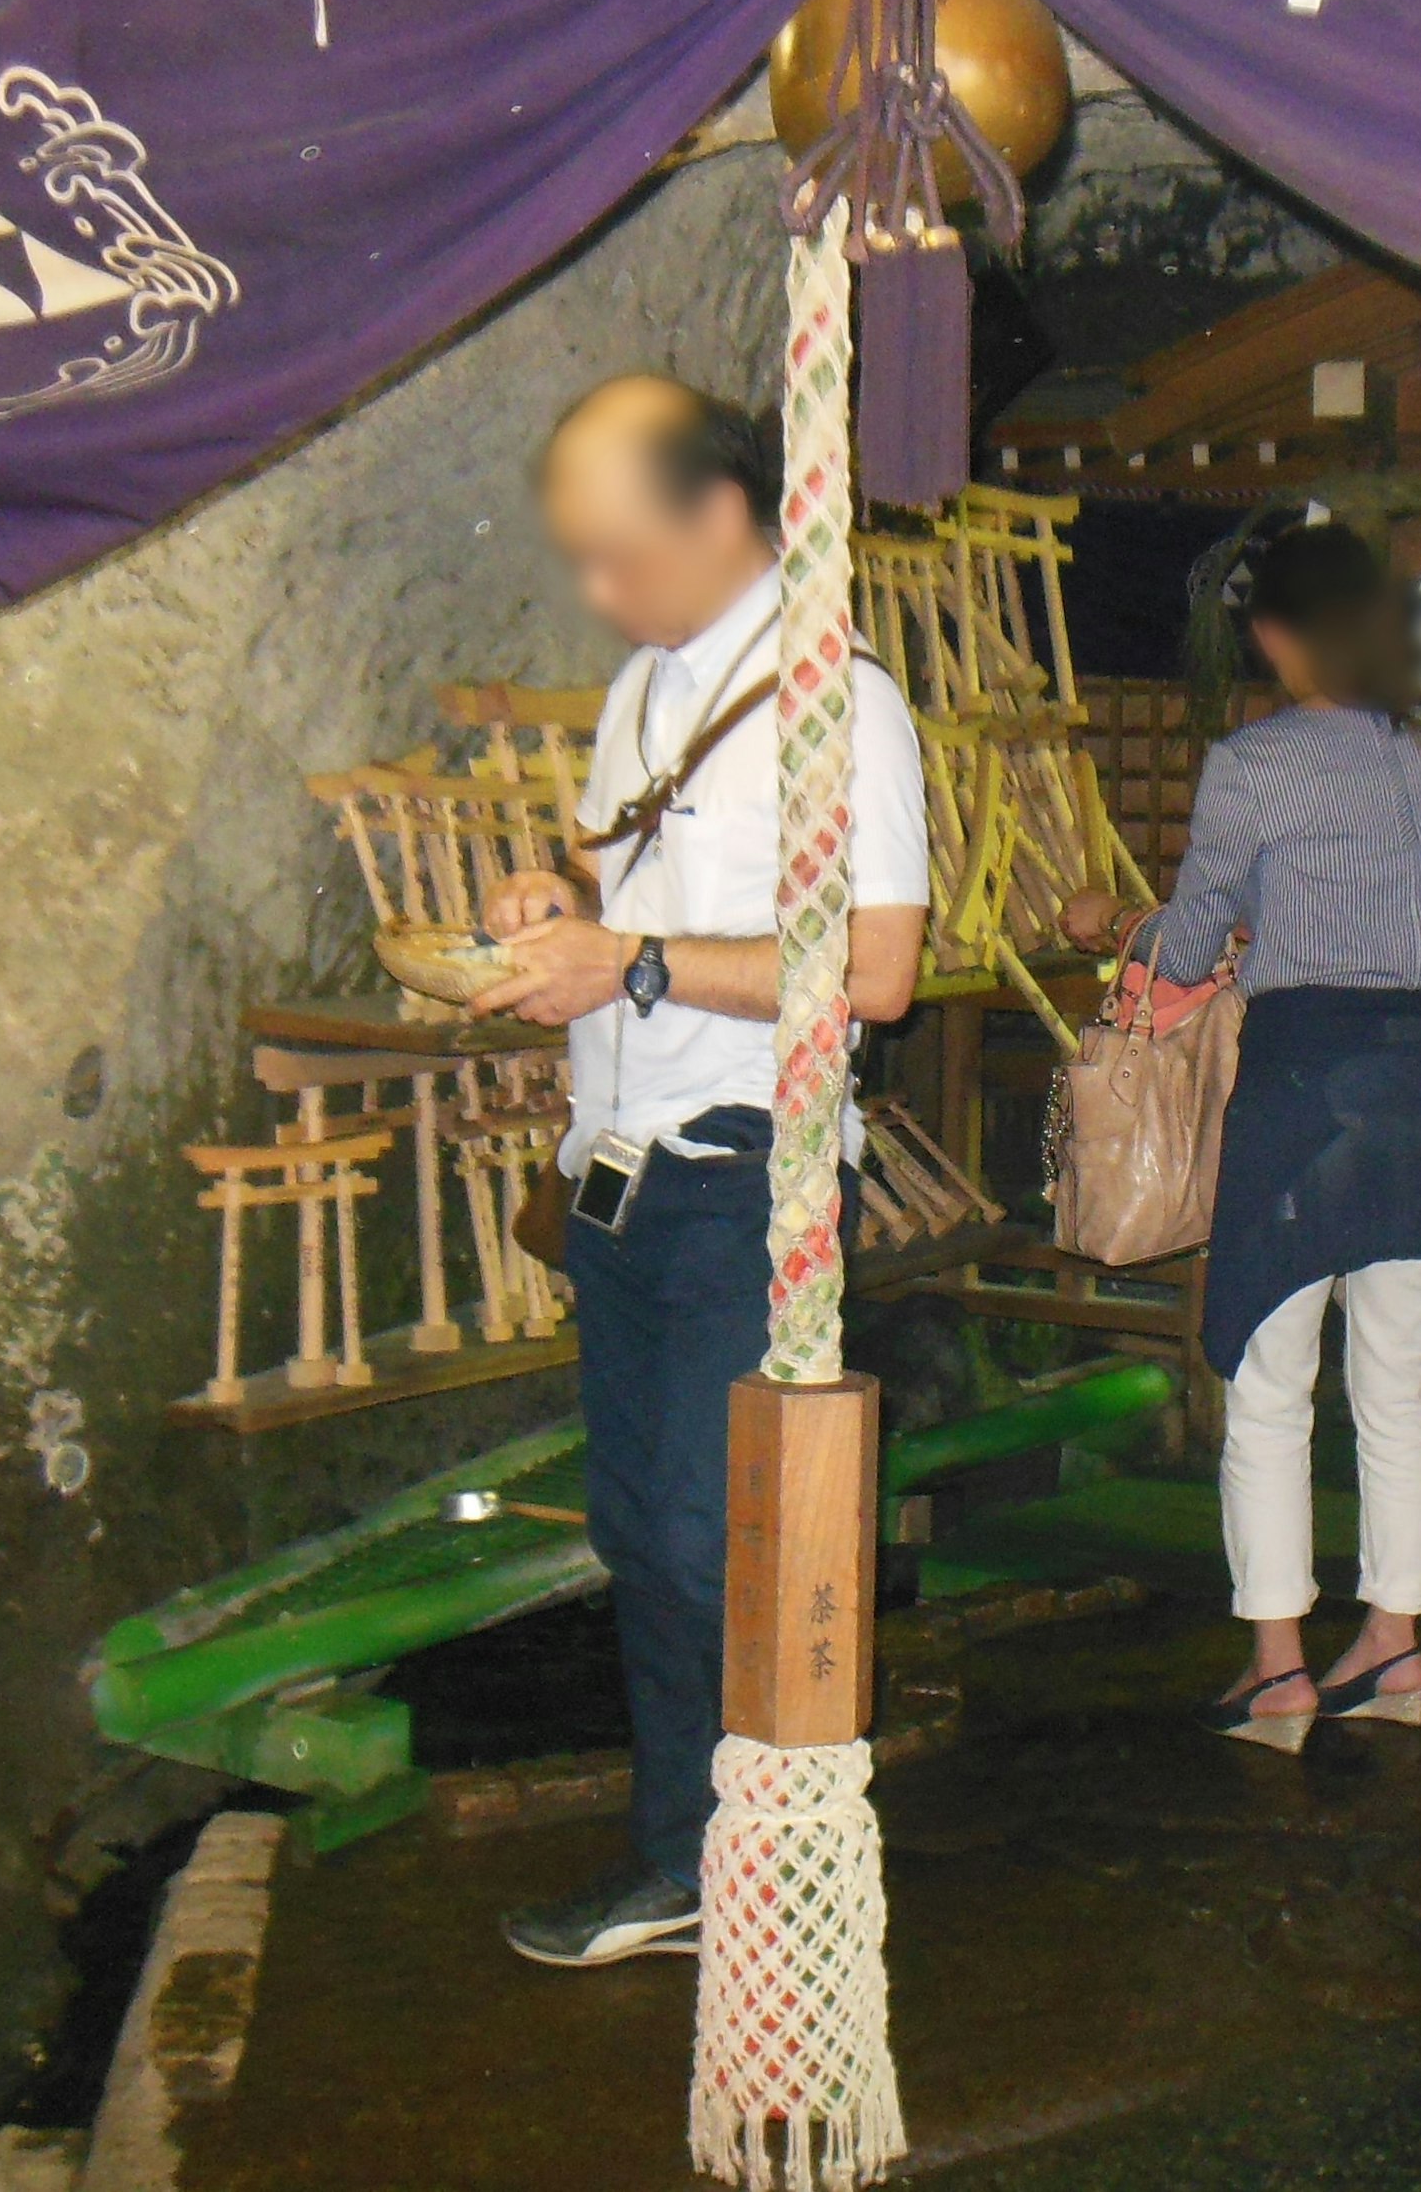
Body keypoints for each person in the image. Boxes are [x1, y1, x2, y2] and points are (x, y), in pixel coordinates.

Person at [466, 376, 929, 1968]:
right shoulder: (642, 690)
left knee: (708, 1531)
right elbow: (624, 872)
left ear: (723, 515)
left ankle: (759, 1874)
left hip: (750, 1171)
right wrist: (559, 894)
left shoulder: (836, 701)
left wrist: (636, 959)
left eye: (619, 552)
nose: (599, 588)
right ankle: (690, 1859)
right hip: (621, 1169)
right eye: (580, 557)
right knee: (640, 1525)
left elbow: (874, 971)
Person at [1063, 518, 1421, 1751]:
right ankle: (1397, 1643)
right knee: (1401, 1389)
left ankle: (1279, 1666)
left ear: (1277, 632)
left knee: (1267, 1383)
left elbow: (1191, 943)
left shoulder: (1254, 762)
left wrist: (1113, 923)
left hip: (1306, 1083)